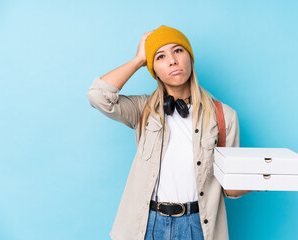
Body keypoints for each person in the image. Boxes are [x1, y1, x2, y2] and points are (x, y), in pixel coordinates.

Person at [86, 25, 255, 240]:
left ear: (190, 58)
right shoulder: (143, 109)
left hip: (197, 225)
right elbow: (97, 96)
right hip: (148, 224)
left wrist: (263, 180)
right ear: (154, 69)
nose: (172, 60)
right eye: (160, 56)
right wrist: (139, 59)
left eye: (178, 51)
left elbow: (230, 188)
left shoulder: (224, 116)